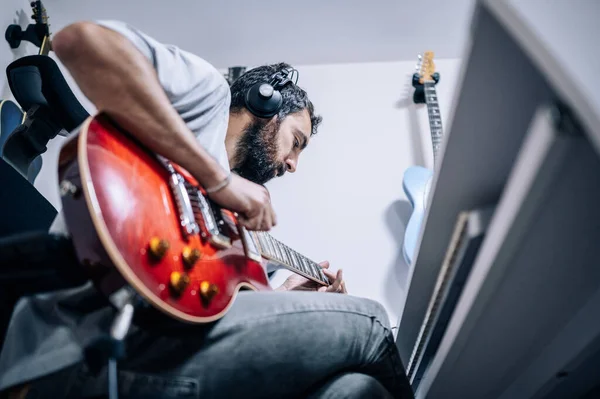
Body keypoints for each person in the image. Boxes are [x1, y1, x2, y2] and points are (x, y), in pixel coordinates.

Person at [0, 20, 414, 398]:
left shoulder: (235, 225)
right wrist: (218, 180)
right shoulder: (207, 101)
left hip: (173, 350)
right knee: (372, 321)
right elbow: (79, 43)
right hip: (81, 350)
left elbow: (203, 301)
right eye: (296, 141)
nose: (293, 164)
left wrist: (281, 296)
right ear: (263, 105)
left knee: (357, 389)